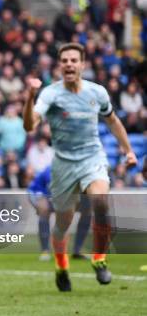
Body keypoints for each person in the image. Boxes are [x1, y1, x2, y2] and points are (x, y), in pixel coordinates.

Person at [23, 43, 137, 292]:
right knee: (63, 223)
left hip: (92, 158)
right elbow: (30, 125)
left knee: (100, 201)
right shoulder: (50, 95)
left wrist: (128, 150)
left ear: (82, 65)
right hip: (63, 164)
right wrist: (30, 97)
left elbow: (113, 122)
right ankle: (62, 266)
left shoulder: (97, 92)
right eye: (64, 60)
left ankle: (99, 259)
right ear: (59, 65)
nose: (69, 64)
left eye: (74, 60)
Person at [28, 166, 91, 261]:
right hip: (39, 192)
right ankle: (45, 251)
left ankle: (77, 251)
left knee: (88, 209)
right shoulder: (52, 172)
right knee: (44, 209)